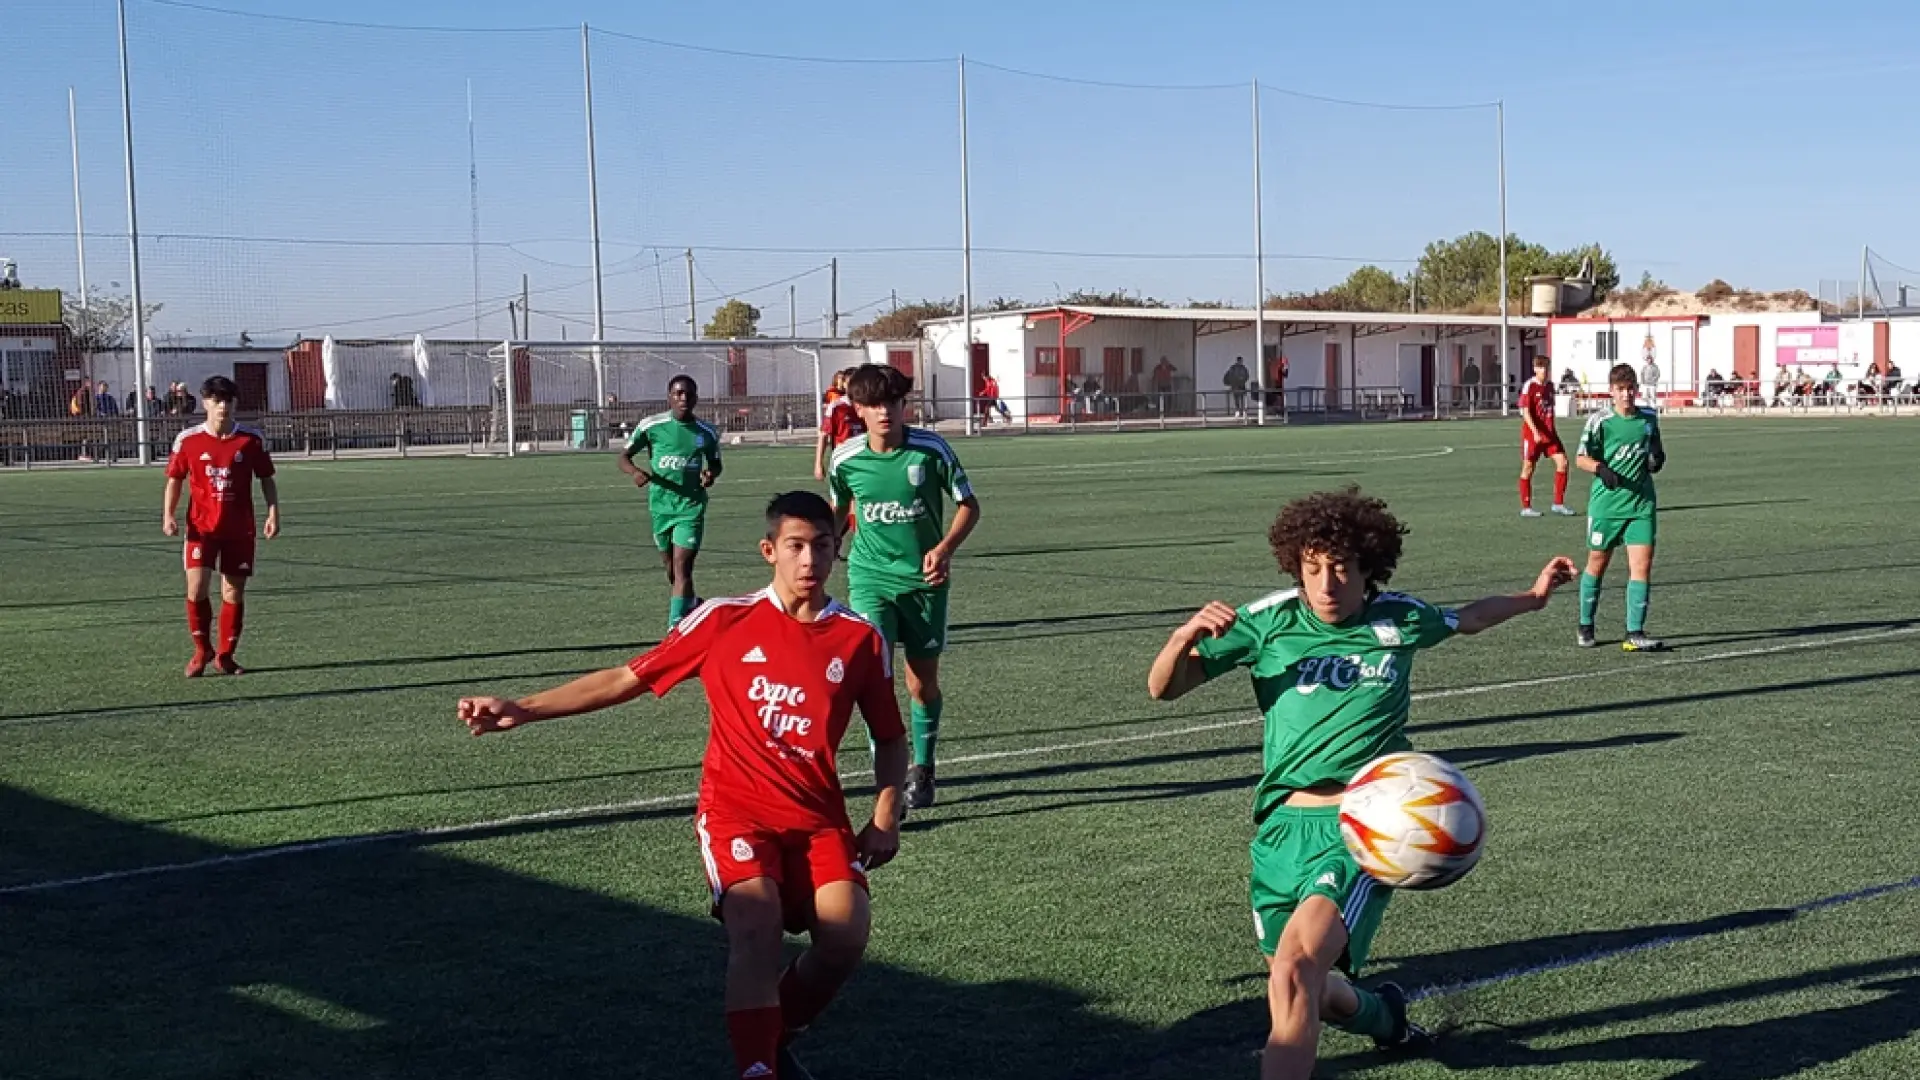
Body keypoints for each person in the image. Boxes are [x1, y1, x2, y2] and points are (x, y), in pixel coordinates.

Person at [456, 491, 907, 1080]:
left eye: (822, 547)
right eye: (795, 547)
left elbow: (891, 738)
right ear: (769, 551)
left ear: (836, 550)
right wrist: (523, 706)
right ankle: (757, 1069)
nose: (809, 561)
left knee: (846, 936)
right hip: (736, 814)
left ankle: (774, 1036)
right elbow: (627, 677)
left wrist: (886, 815)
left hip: (819, 818)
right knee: (758, 924)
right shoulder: (724, 619)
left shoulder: (858, 639)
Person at [1147, 488, 1574, 1080]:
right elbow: (1164, 688)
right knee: (1306, 988)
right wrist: (1181, 638)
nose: (1326, 584)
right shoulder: (1266, 624)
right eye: (1313, 568)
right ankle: (1387, 1019)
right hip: (1278, 830)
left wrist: (1533, 597)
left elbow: (1468, 619)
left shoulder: (1398, 617)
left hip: (1361, 828)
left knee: (1296, 970)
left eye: (1342, 569)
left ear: (1370, 568)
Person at [828, 363, 981, 811]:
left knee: (920, 685)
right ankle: (888, 784)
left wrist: (945, 548)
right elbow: (839, 507)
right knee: (875, 677)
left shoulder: (931, 450)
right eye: (873, 404)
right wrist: (829, 540)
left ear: (903, 405)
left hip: (924, 582)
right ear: (857, 409)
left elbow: (969, 506)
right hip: (869, 576)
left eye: (891, 403)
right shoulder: (845, 457)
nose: (884, 412)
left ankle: (925, 766)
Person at [163, 376, 280, 676]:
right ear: (205, 403)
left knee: (233, 593)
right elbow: (174, 480)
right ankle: (202, 651)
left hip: (239, 529)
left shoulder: (250, 440)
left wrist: (273, 513)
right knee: (196, 588)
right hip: (201, 528)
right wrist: (168, 515)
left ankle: (225, 655)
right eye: (216, 400)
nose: (222, 406)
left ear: (234, 403)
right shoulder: (188, 440)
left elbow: (266, 478)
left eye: (227, 400)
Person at [619, 374, 723, 629]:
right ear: (669, 397)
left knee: (682, 565)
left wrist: (710, 475)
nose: (683, 398)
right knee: (671, 569)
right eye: (678, 393)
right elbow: (623, 456)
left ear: (696, 397)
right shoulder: (651, 426)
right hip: (661, 506)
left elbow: (716, 464)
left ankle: (675, 626)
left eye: (688, 393)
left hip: (691, 507)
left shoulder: (706, 432)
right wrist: (635, 472)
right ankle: (692, 603)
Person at [1576, 363, 1666, 651]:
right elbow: (1580, 458)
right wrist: (1600, 469)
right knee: (1597, 564)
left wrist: (1658, 458)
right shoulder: (1600, 421)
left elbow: (1656, 449)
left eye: (1630, 389)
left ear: (1636, 389)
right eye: (1620, 389)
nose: (1626, 394)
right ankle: (1586, 624)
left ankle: (1634, 632)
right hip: (1607, 506)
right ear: (1611, 391)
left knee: (1641, 566)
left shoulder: (1649, 417)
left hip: (1641, 504)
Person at [1517, 355, 1575, 518]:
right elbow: (1525, 412)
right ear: (1535, 369)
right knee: (1528, 468)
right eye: (1540, 367)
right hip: (1533, 434)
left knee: (1563, 462)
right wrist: (1535, 432)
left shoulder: (1550, 386)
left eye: (1546, 368)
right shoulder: (1530, 386)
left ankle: (1558, 503)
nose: (1544, 371)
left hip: (1550, 434)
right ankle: (1526, 507)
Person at [812, 367, 863, 481]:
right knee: (840, 498)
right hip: (842, 461)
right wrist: (818, 464)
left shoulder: (868, 406)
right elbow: (824, 435)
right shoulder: (836, 407)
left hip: (864, 461)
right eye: (850, 383)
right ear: (844, 384)